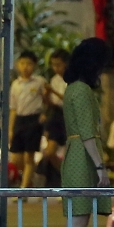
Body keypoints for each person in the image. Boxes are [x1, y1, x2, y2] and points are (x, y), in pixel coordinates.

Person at [61, 38, 113, 227]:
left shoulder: (74, 88)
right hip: (82, 158)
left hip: (78, 156)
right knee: (77, 224)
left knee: (79, 225)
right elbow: (86, 132)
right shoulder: (81, 90)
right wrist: (100, 166)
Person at [9, 50, 47, 189]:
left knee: (29, 157)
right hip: (19, 119)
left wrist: (44, 114)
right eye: (22, 63)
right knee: (16, 158)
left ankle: (23, 189)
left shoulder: (39, 82)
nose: (25, 67)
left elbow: (48, 100)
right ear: (18, 64)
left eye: (29, 64)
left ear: (35, 66)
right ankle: (29, 178)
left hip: (34, 120)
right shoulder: (15, 84)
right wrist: (11, 129)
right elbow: (13, 108)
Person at [41, 49, 70, 182]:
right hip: (57, 115)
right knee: (50, 151)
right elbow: (52, 102)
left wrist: (53, 91)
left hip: (68, 116)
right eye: (53, 65)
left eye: (58, 64)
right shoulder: (54, 79)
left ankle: (67, 177)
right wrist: (46, 95)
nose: (56, 68)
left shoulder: (71, 79)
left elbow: (68, 100)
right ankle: (62, 174)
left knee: (68, 151)